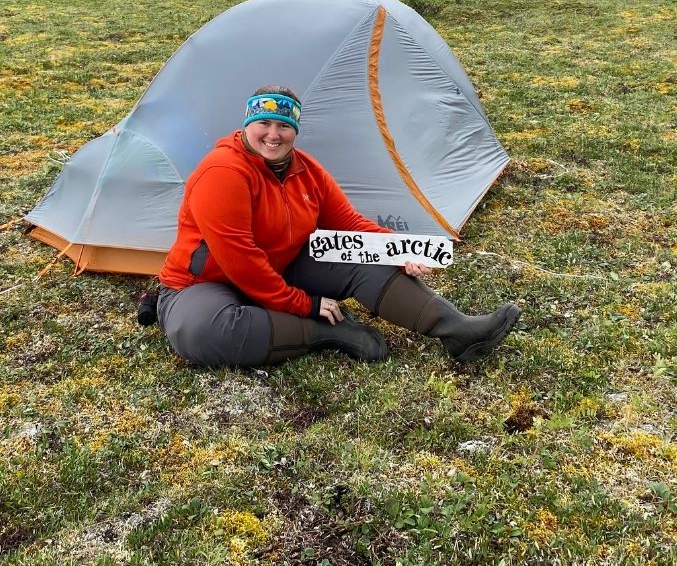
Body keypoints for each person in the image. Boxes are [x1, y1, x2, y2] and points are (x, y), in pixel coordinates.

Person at [157, 86, 520, 367]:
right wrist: (304, 304)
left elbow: (349, 223)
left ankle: (456, 329)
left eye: (284, 125)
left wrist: (403, 250)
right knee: (200, 333)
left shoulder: (307, 170)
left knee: (367, 256)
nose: (273, 134)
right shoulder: (223, 172)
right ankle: (326, 333)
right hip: (205, 285)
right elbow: (239, 260)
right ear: (247, 125)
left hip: (280, 267)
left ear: (295, 130)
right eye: (263, 123)